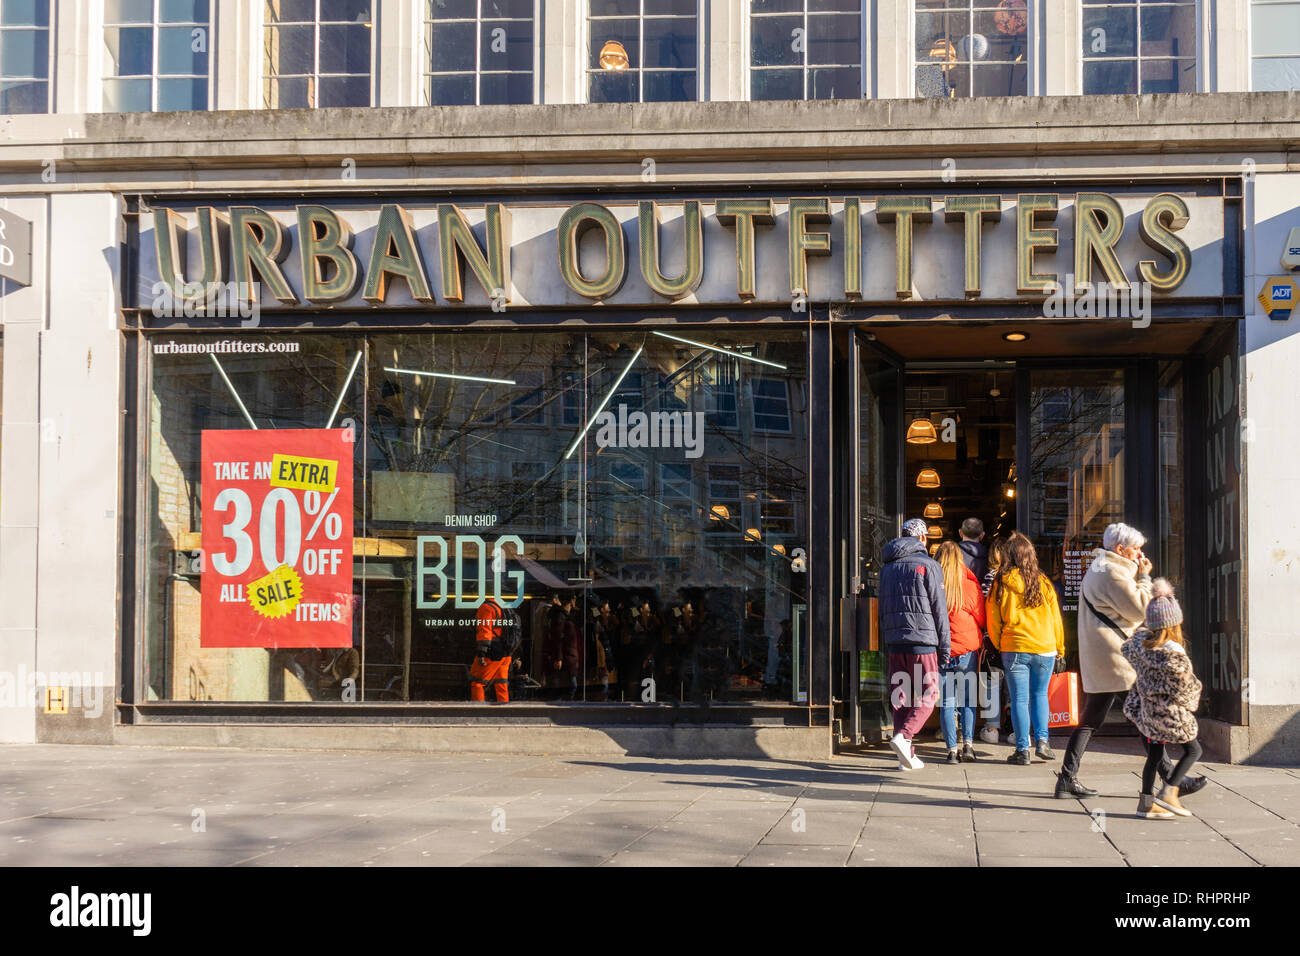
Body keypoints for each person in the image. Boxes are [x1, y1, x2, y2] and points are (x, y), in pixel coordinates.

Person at [1056, 522, 1207, 798]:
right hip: (1117, 657)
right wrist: (1145, 578)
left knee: (1099, 719)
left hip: (1107, 656)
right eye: (1136, 549)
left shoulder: (1104, 568)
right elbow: (1140, 610)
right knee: (1146, 713)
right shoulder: (1113, 573)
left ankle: (1067, 778)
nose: (1140, 554)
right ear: (1120, 549)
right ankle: (1171, 780)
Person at [1121, 580, 1203, 819]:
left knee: (1154, 756)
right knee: (1193, 750)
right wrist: (1192, 701)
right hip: (1171, 714)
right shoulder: (1174, 653)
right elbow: (1185, 688)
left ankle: (1146, 803)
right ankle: (1169, 791)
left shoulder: (1141, 648)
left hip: (1149, 713)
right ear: (1173, 623)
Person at [986, 532, 1065, 764]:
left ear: (1008, 556)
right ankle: (1042, 742)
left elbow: (993, 619)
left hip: (1015, 646)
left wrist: (1001, 643)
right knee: (1040, 695)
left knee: (1020, 699)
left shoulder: (1000, 582)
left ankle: (1023, 750)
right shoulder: (1044, 582)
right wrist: (1060, 646)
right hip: (1045, 646)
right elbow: (1055, 619)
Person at [880, 518, 951, 771]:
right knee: (929, 693)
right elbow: (939, 610)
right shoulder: (928, 565)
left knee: (902, 698)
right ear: (923, 539)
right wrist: (945, 648)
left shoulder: (887, 567)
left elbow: (883, 607)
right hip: (923, 641)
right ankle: (905, 736)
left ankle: (905, 757)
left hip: (895, 642)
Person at [937, 541, 986, 763]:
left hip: (942, 649)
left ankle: (951, 751)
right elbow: (982, 619)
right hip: (967, 648)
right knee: (967, 701)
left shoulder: (933, 582)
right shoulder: (969, 584)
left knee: (946, 702)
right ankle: (968, 745)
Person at [978, 536, 1009, 744]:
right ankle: (1015, 729)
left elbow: (983, 608)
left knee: (992, 684)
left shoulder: (990, 578)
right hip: (1014, 638)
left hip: (992, 638)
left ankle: (992, 728)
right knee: (1014, 686)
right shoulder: (1014, 577)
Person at [469, 596, 514, 702]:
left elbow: (485, 631)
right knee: (501, 683)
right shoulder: (503, 608)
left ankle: (477, 712)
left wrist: (481, 653)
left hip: (492, 652)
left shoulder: (486, 608)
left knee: (477, 683)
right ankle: (504, 711)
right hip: (505, 653)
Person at [958, 517, 989, 582]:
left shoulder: (952, 553)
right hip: (981, 591)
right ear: (982, 535)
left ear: (960, 532)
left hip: (958, 591)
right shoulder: (990, 556)